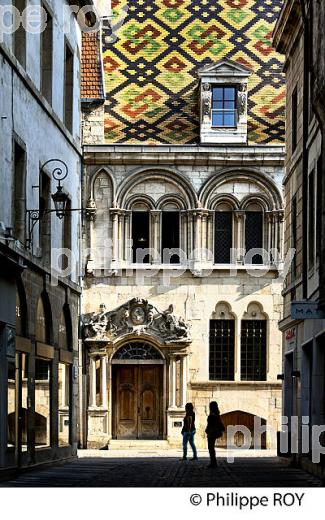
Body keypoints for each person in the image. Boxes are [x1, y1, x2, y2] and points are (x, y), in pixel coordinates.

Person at [205, 401, 225, 468]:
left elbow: (209, 425)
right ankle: (213, 462)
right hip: (214, 433)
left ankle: (213, 463)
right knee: (212, 448)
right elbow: (220, 424)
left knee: (211, 448)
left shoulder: (211, 416)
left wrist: (206, 430)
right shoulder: (217, 415)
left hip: (211, 433)